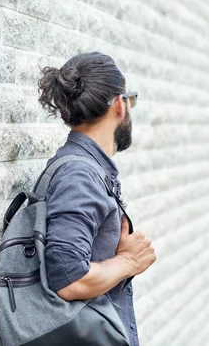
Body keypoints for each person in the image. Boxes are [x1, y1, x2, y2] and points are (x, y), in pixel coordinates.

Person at [37, 51, 157, 346]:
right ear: (119, 104)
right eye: (131, 100)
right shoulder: (81, 176)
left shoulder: (82, 167)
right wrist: (128, 261)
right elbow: (68, 278)